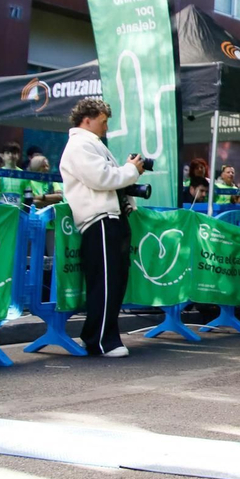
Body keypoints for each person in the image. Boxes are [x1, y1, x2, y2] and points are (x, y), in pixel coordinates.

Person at [58, 96, 147, 359]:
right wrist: (130, 170)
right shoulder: (79, 145)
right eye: (103, 121)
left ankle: (105, 337)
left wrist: (128, 173)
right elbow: (102, 178)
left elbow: (106, 178)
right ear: (88, 119)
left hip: (110, 219)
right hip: (99, 220)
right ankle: (99, 340)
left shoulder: (90, 144)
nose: (106, 126)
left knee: (114, 282)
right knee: (106, 283)